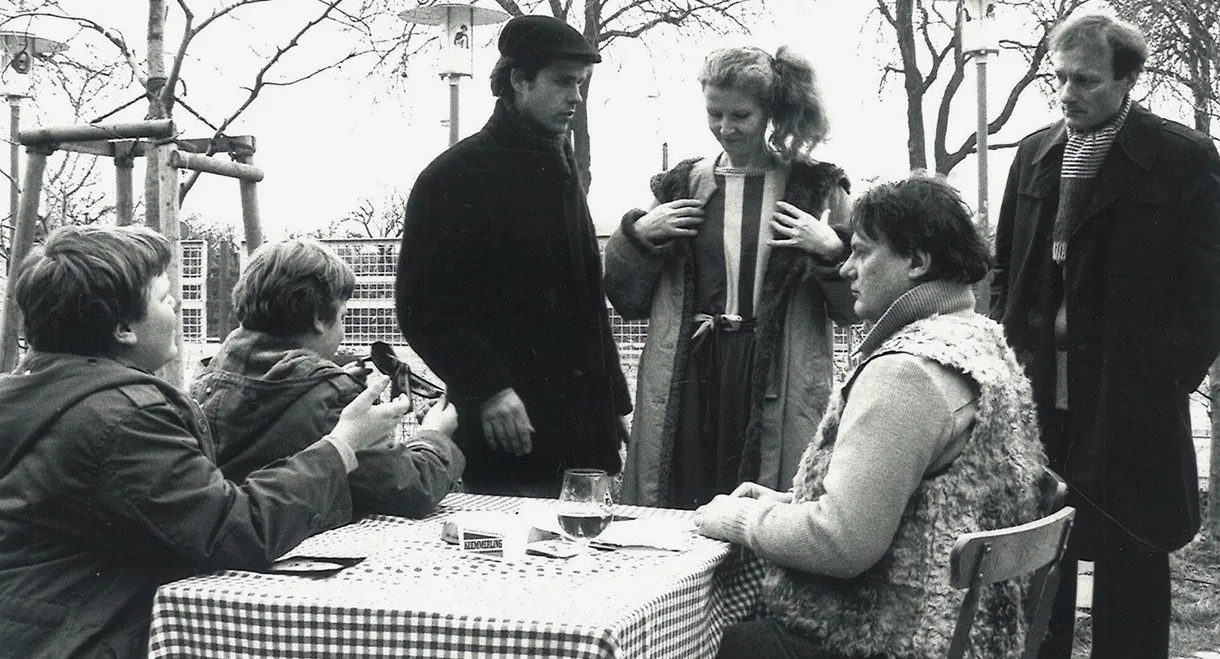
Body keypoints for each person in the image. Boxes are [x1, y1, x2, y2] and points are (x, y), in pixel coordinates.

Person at [0, 225, 412, 658]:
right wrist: (342, 444)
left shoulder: (24, 397)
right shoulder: (127, 418)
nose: (176, 306)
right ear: (124, 328)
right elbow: (235, 531)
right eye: (164, 299)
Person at [696, 174, 1048, 659]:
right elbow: (922, 507)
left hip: (893, 641)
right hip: (973, 635)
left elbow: (840, 544)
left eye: (862, 252)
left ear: (918, 263)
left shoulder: (906, 373)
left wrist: (740, 518)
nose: (846, 269)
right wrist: (788, 501)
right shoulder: (979, 341)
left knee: (705, 641)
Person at [990, 12, 1220, 659]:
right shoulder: (1034, 154)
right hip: (1042, 412)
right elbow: (1006, 269)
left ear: (1128, 78)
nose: (1067, 92)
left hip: (1131, 412)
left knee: (1132, 578)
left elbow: (1208, 294)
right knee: (1042, 574)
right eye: (1059, 77)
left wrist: (1163, 377)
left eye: (1085, 79)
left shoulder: (1181, 158)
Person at [604, 45, 856, 509]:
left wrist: (833, 249)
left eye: (740, 114)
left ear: (770, 112)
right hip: (693, 369)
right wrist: (638, 235)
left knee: (766, 502)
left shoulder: (816, 187)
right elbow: (627, 298)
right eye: (714, 113)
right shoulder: (679, 186)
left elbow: (853, 307)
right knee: (682, 494)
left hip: (778, 367)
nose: (726, 127)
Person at [395, 15, 631, 498]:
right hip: (507, 430)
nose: (576, 97)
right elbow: (426, 310)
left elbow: (586, 303)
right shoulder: (454, 177)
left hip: (582, 425)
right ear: (519, 80)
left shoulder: (559, 167)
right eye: (563, 82)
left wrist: (613, 406)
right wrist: (490, 389)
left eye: (581, 84)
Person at [191, 239, 464, 519]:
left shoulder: (206, 379)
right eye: (343, 317)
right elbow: (410, 488)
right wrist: (434, 437)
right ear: (320, 318)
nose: (344, 331)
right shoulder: (330, 398)